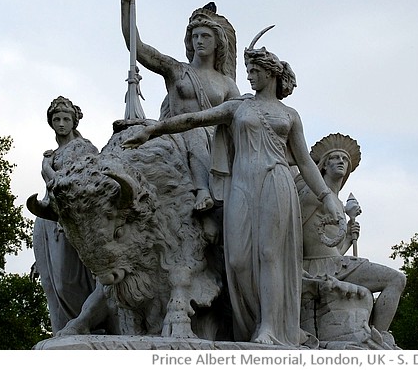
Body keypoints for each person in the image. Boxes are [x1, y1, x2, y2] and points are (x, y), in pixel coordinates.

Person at [121, 28, 346, 346]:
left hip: (275, 181)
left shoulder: (288, 115)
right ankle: (250, 323)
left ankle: (269, 327)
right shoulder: (238, 107)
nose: (249, 78)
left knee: (269, 254)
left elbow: (306, 162)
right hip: (240, 185)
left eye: (254, 72)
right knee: (238, 261)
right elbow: (193, 120)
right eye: (249, 72)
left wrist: (327, 197)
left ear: (270, 73)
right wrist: (154, 130)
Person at [121, 0, 240, 213]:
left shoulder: (227, 83)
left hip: (214, 142)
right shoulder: (177, 71)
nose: (198, 41)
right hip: (178, 134)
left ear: (217, 42)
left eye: (205, 36)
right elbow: (138, 48)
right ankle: (202, 191)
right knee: (194, 133)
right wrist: (125, 4)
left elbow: (237, 117)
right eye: (194, 36)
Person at [297, 133, 406, 333]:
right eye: (335, 157)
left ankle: (377, 336)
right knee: (395, 279)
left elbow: (334, 248)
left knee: (397, 279)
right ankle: (378, 336)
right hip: (315, 265)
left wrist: (347, 236)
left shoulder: (337, 202)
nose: (341, 161)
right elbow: (295, 228)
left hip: (336, 264)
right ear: (323, 165)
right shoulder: (315, 193)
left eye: (345, 159)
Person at [31, 96, 98, 334]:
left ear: (74, 122)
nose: (61, 123)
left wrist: (47, 170)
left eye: (66, 119)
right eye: (56, 119)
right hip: (48, 218)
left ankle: (87, 323)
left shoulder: (84, 149)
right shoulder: (52, 153)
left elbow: (81, 183)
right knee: (51, 284)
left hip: (70, 217)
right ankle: (62, 330)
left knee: (66, 280)